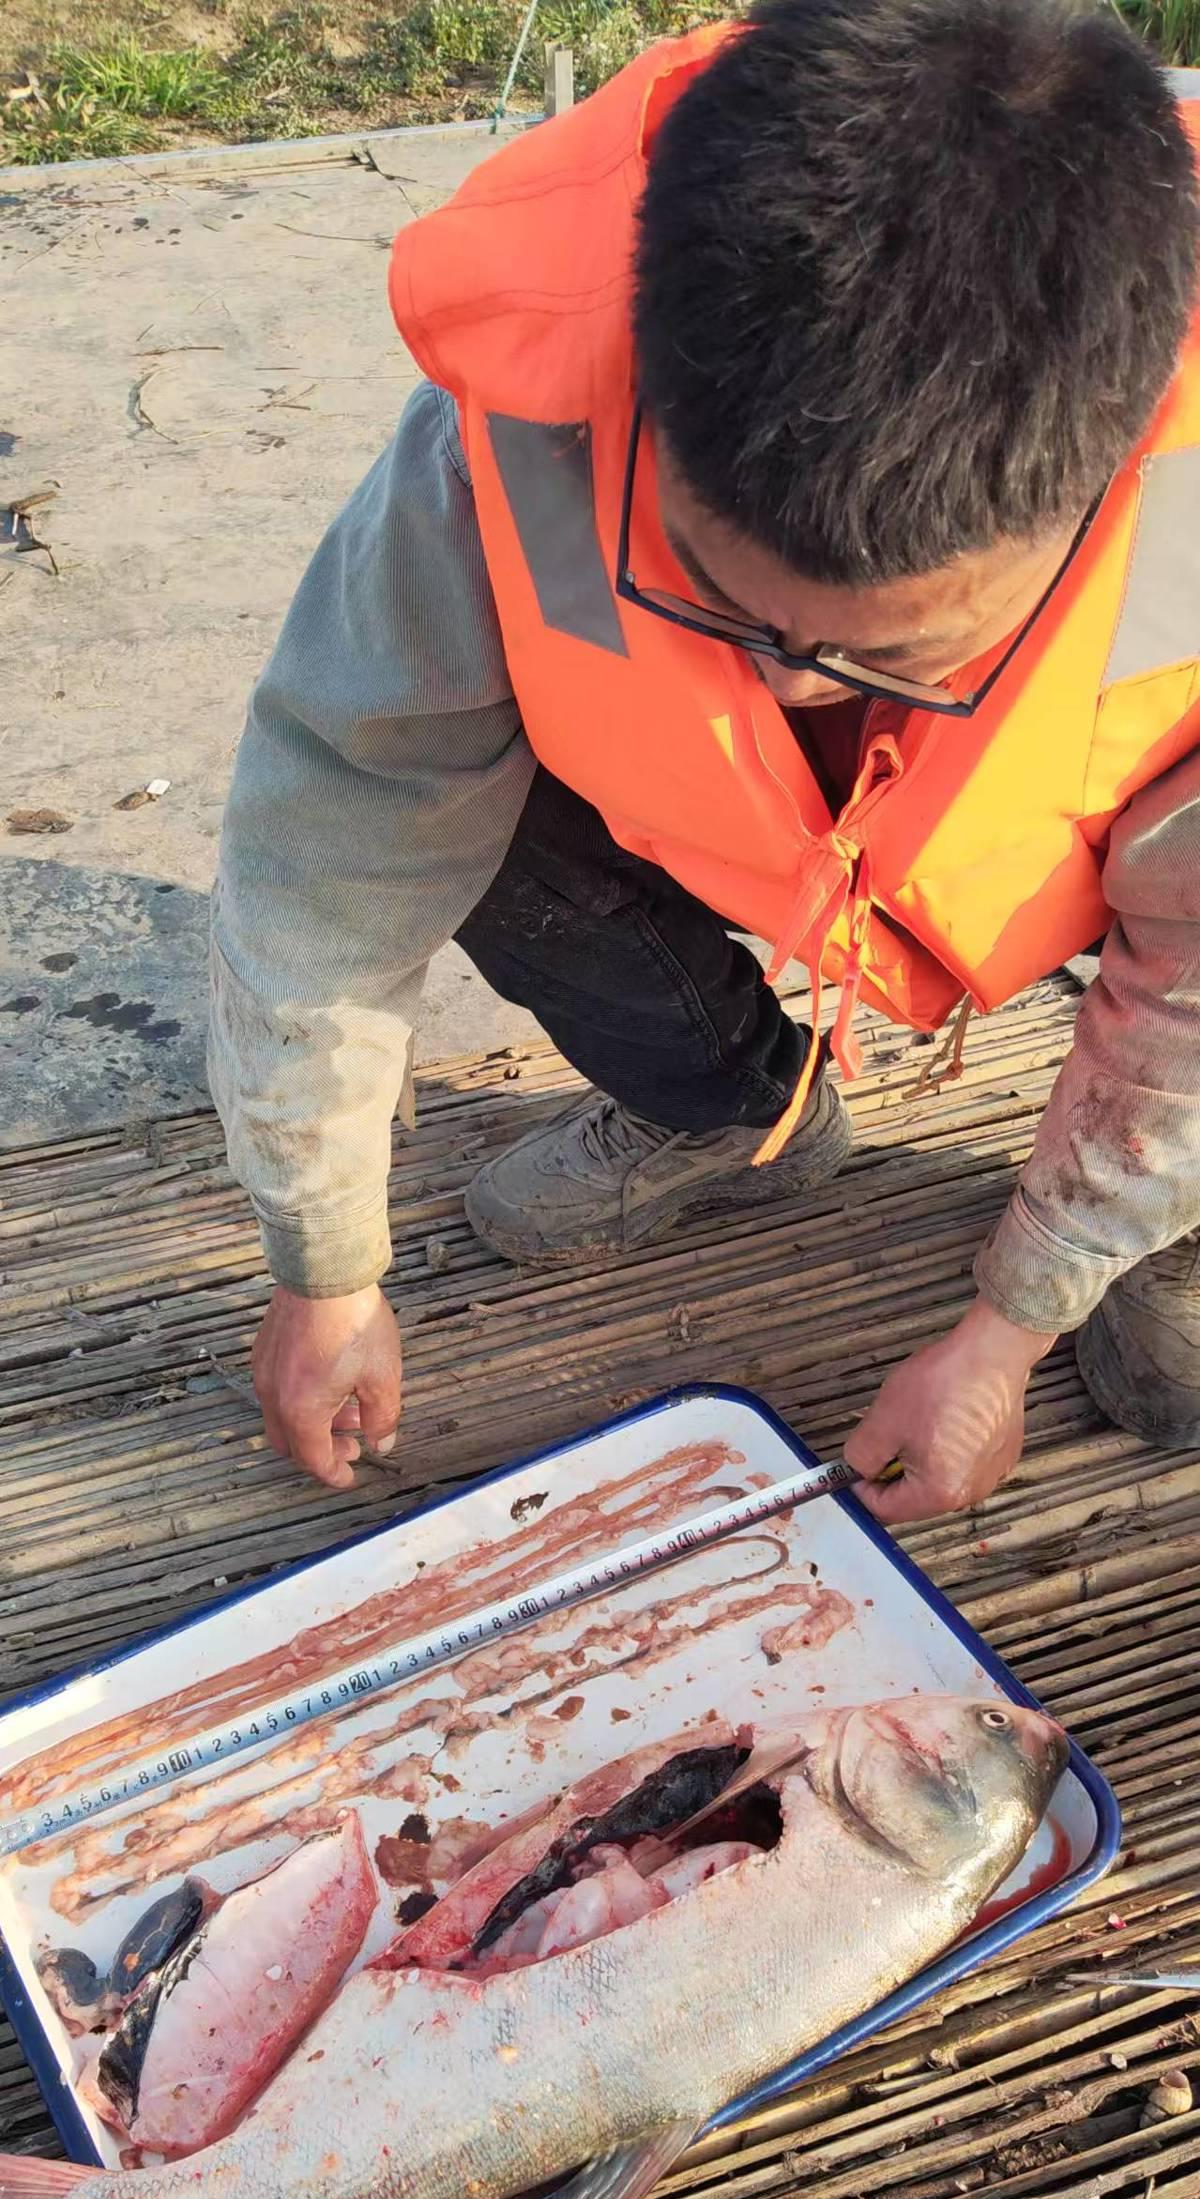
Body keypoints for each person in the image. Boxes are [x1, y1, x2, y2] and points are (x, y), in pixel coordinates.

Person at [208, 0, 1200, 1523]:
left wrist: (1016, 1320)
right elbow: (345, 821)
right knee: (466, 798)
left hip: (1109, 857)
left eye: (887, 655)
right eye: (717, 600)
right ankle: (730, 1099)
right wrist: (321, 1255)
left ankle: (1155, 1225)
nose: (783, 686)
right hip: (739, 838)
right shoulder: (525, 420)